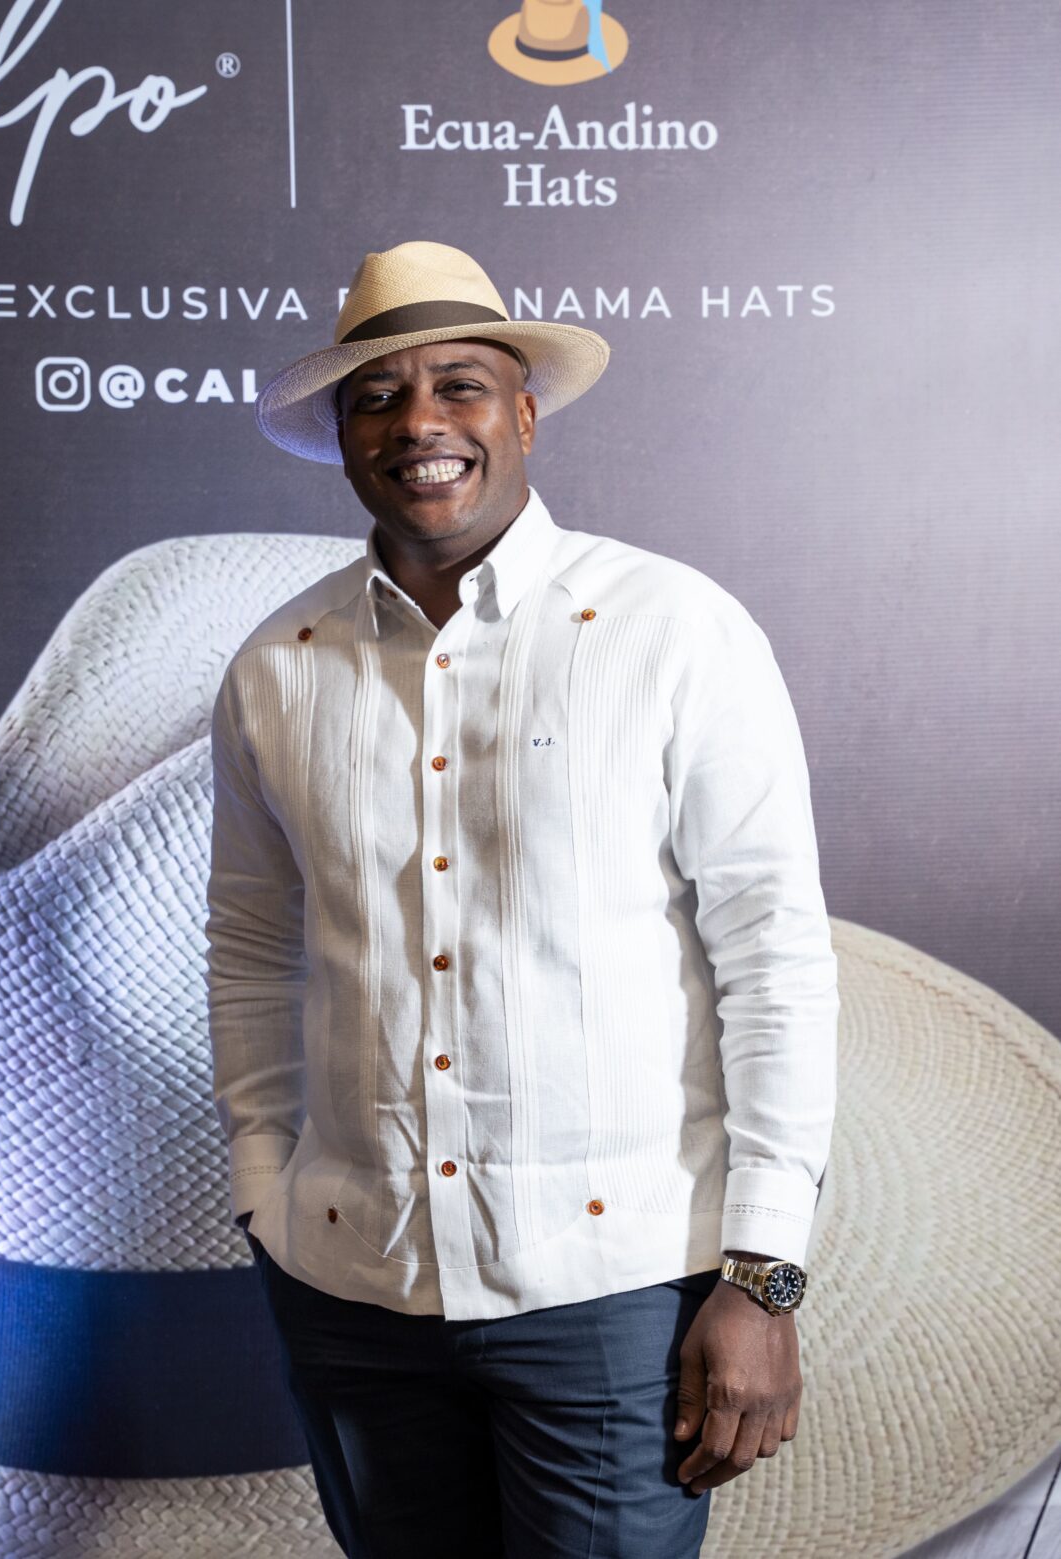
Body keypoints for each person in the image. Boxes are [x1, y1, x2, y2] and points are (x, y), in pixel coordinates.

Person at [204, 240, 838, 1558]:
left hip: (614, 1290)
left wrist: (764, 1274)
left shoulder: (672, 628)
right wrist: (265, 1183)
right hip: (352, 1284)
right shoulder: (278, 664)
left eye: (460, 385)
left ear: (525, 414)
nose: (418, 423)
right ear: (342, 437)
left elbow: (771, 954)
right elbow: (253, 945)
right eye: (377, 396)